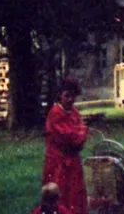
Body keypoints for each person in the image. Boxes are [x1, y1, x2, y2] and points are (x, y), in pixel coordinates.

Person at [42, 77, 88, 214]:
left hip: (73, 162)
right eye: (67, 95)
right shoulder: (55, 113)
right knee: (59, 195)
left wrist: (80, 133)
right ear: (60, 95)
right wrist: (82, 131)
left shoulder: (74, 112)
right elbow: (69, 137)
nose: (70, 99)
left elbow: (78, 137)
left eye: (73, 96)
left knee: (76, 195)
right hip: (58, 163)